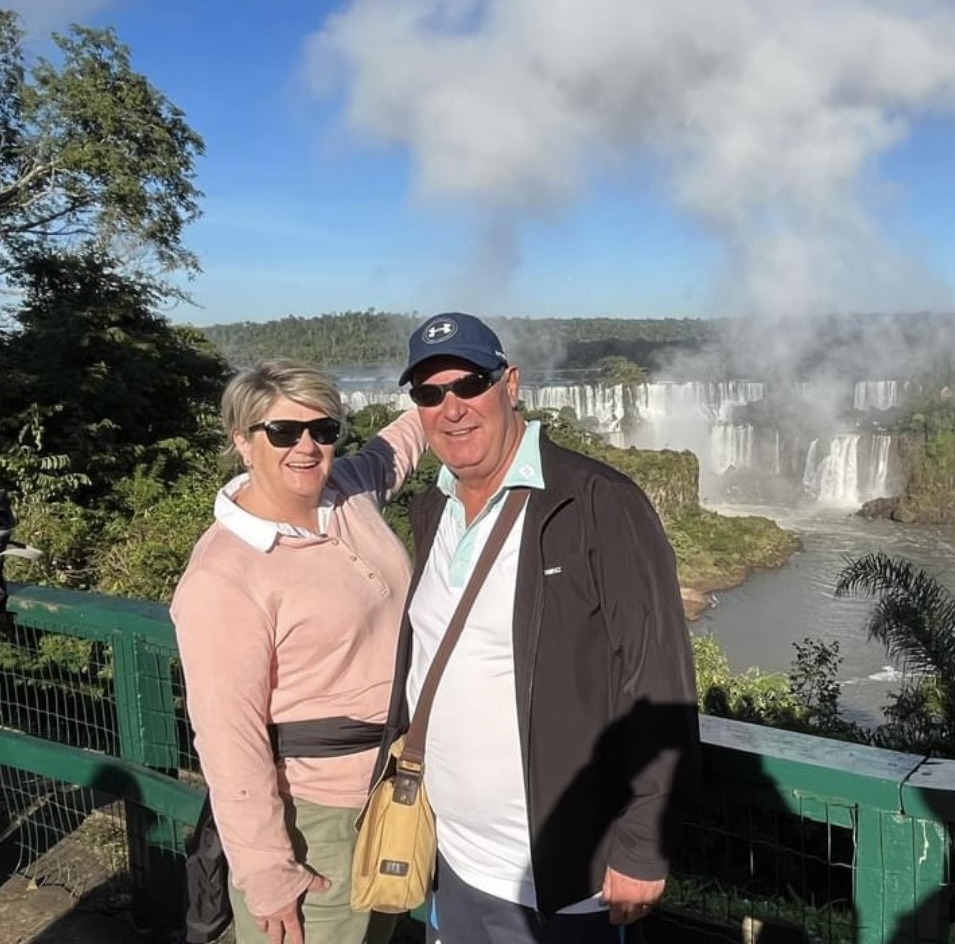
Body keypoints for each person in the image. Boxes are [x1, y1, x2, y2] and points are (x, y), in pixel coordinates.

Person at [380, 312, 699, 943]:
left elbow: (657, 674)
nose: (452, 407)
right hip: (449, 858)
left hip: (558, 882)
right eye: (429, 393)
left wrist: (642, 842)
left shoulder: (595, 501)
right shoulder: (431, 509)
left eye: (470, 383)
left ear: (511, 383)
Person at [171, 360, 426, 944]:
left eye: (324, 430)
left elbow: (399, 445)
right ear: (242, 441)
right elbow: (228, 737)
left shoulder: (346, 494)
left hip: (393, 790)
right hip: (313, 817)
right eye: (283, 432)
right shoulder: (225, 574)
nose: (306, 447)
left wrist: (450, 400)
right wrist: (267, 870)